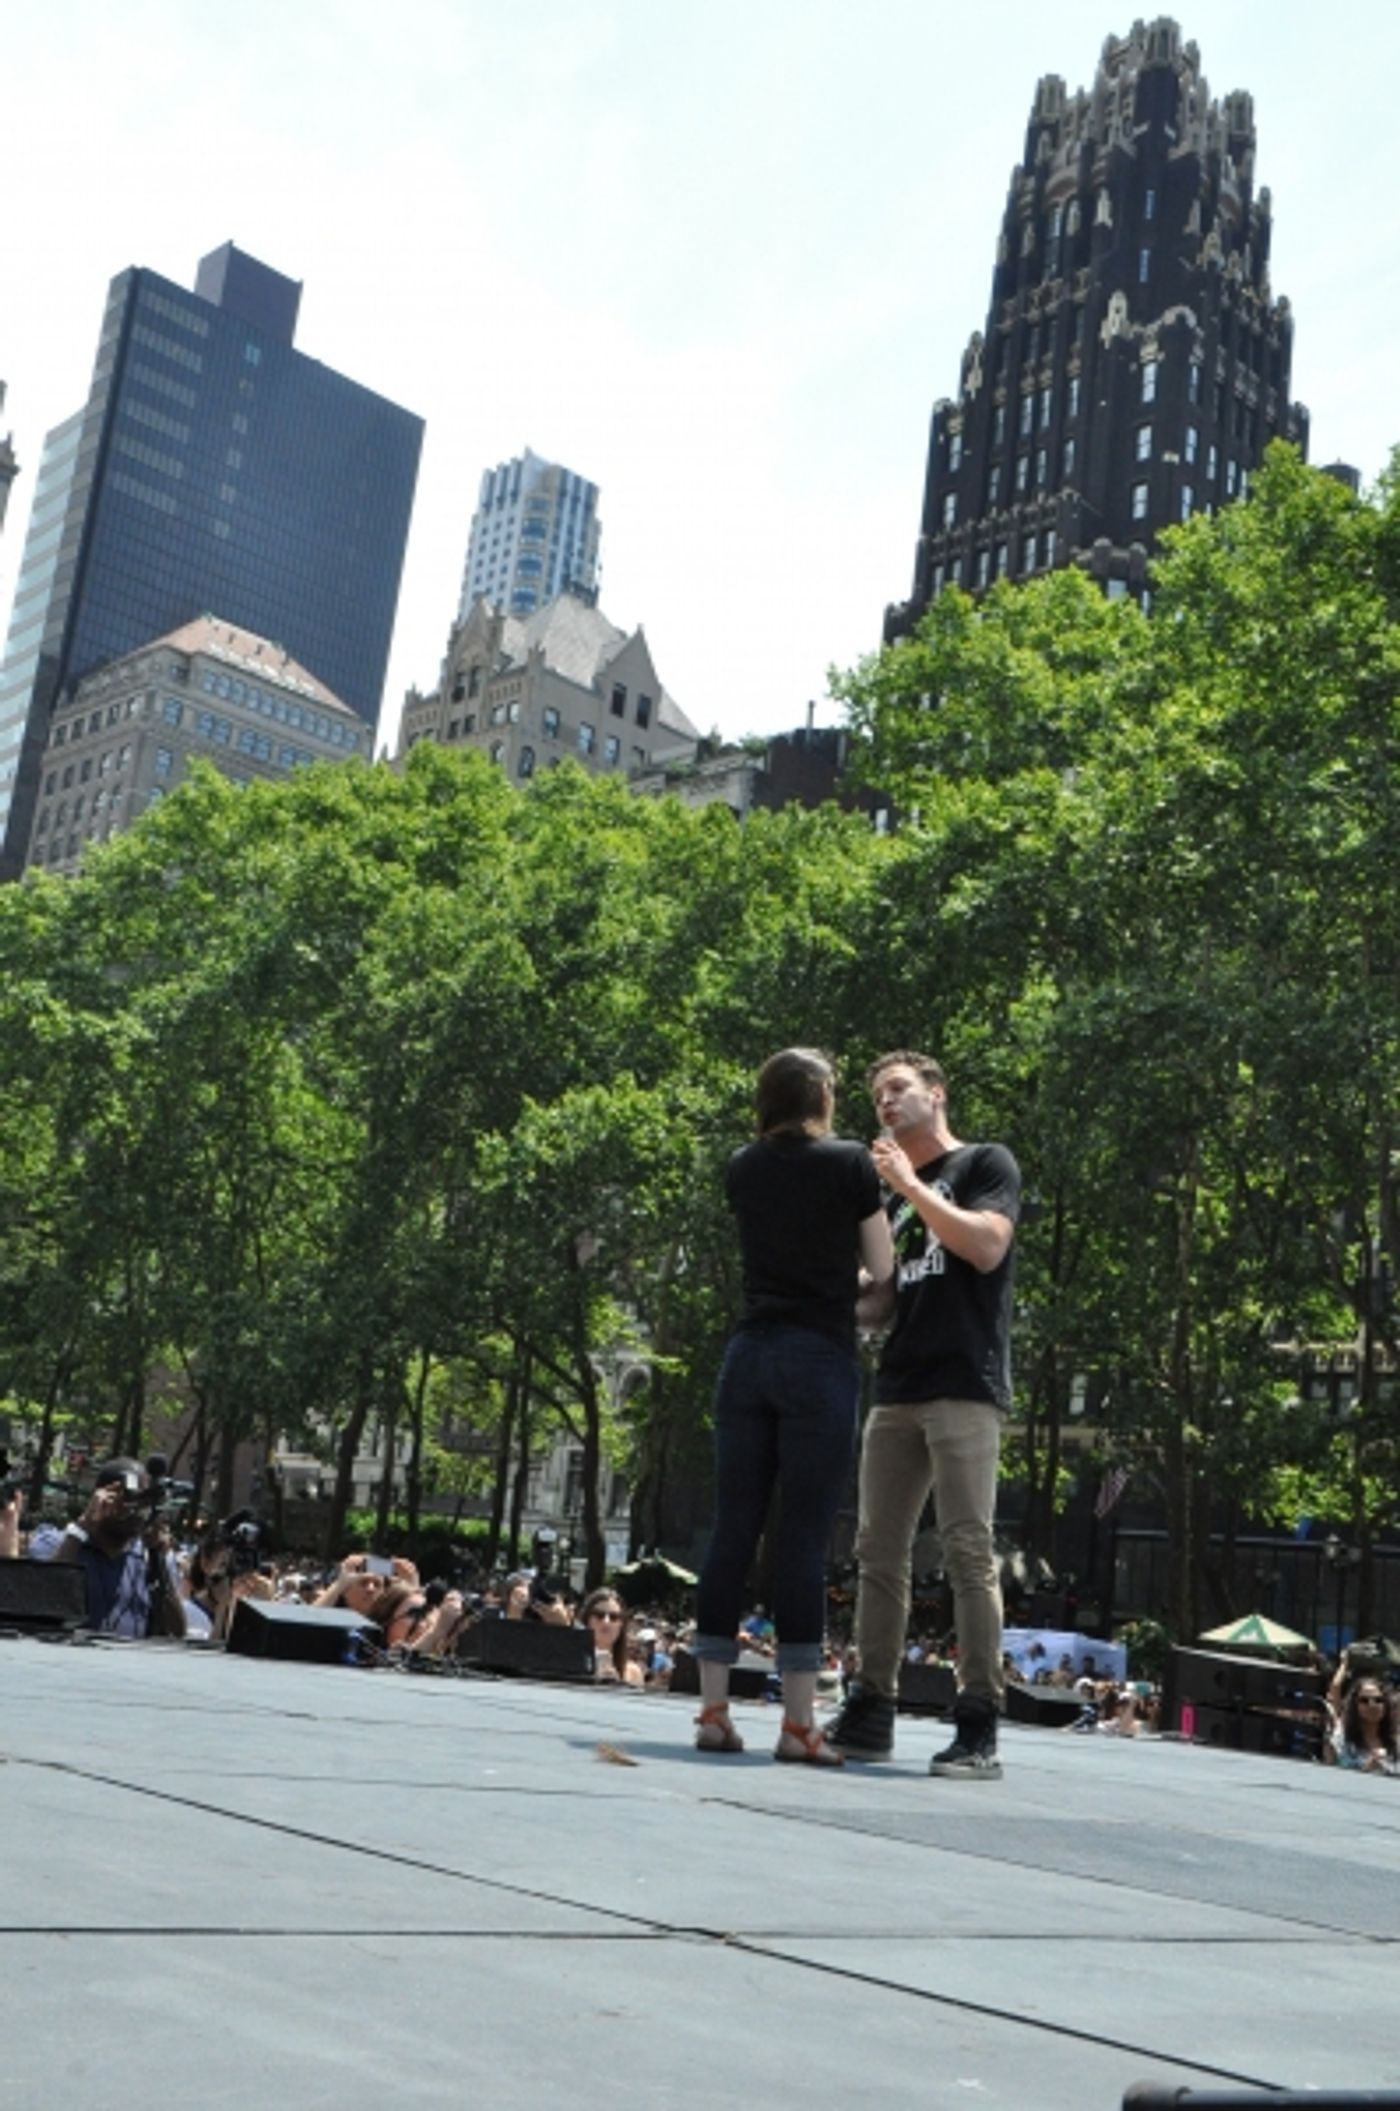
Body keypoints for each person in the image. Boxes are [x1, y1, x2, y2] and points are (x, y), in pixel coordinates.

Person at [691, 1046, 895, 1765]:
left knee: (732, 1528)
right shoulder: (849, 1163)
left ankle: (713, 1709)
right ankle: (799, 1722)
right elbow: (884, 1265)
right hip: (819, 1355)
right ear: (822, 1096)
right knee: (804, 1538)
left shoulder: (742, 1166)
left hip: (748, 1355)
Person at [826, 1050, 1020, 1779]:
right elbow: (881, 1300)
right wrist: (814, 1294)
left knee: (969, 1550)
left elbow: (984, 1245)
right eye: (877, 1094)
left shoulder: (983, 1165)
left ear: (936, 1095)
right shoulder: (893, 1204)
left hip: (964, 1385)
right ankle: (871, 1705)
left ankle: (978, 1723)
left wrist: (909, 1183)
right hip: (898, 1386)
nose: (885, 1102)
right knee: (877, 1550)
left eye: (898, 1089)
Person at [41, 1458, 188, 1639]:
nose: (137, 1512)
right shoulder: (60, 1542)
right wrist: (82, 1528)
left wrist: (157, 1556)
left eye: (144, 1503)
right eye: (127, 1501)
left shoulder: (149, 1559)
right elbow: (44, 1599)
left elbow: (177, 1631)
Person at [1326, 1678, 1399, 1774]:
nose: (1372, 1705)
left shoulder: (1396, 1743)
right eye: (1364, 1700)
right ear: (1354, 1706)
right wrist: (1367, 1769)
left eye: (1378, 1700)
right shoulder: (1341, 1740)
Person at [581, 1587, 643, 1684]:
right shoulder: (570, 1665)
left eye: (614, 1617)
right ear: (587, 1620)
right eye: (599, 1615)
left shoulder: (633, 1672)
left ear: (621, 1624)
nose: (606, 1622)